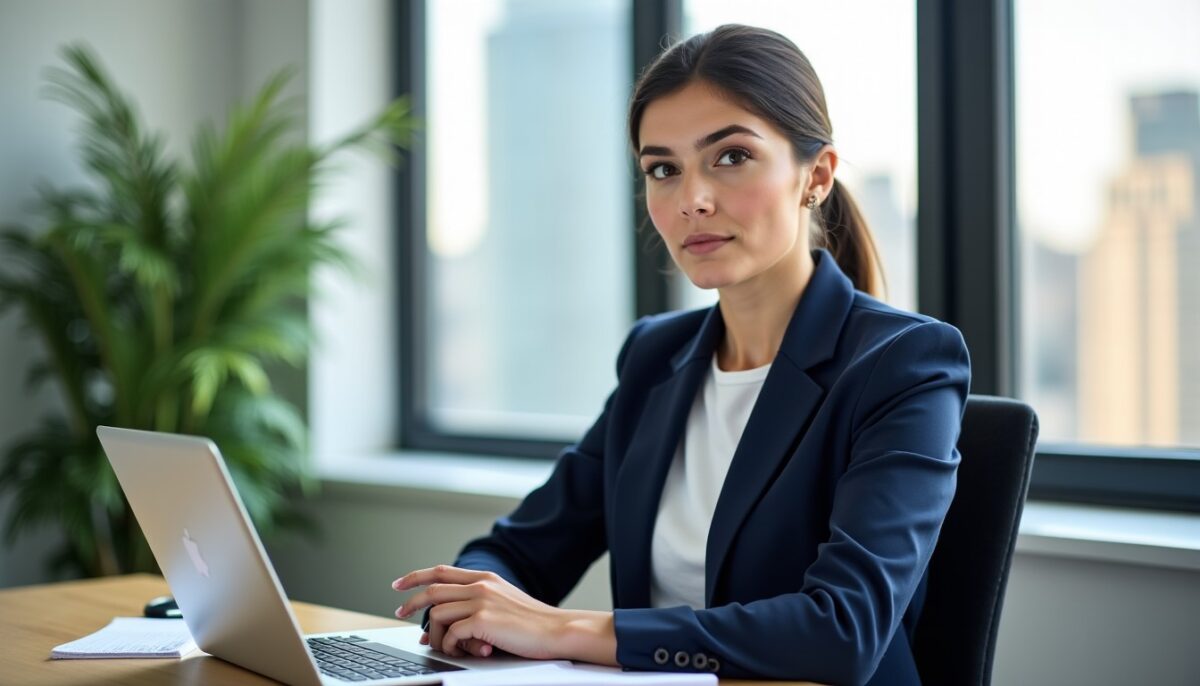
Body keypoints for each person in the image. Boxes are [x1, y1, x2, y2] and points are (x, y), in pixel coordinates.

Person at [392, 24, 970, 685]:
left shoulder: (905, 363)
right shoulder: (653, 357)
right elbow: (522, 547)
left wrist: (562, 629)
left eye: (730, 157)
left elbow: (843, 630)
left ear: (816, 175)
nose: (692, 199)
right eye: (662, 169)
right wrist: (472, 603)